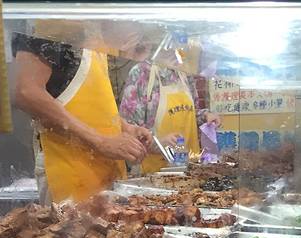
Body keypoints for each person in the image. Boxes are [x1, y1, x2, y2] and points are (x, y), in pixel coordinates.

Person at [13, 31, 154, 203]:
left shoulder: (92, 36)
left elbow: (92, 104)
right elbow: (26, 93)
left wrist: (125, 128)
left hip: (106, 175)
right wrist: (100, 141)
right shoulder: (48, 25)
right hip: (69, 170)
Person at [119, 61, 221, 173]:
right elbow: (128, 129)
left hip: (190, 168)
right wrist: (158, 142)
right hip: (154, 172)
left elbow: (190, 112)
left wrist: (205, 116)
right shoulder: (141, 73)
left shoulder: (184, 73)